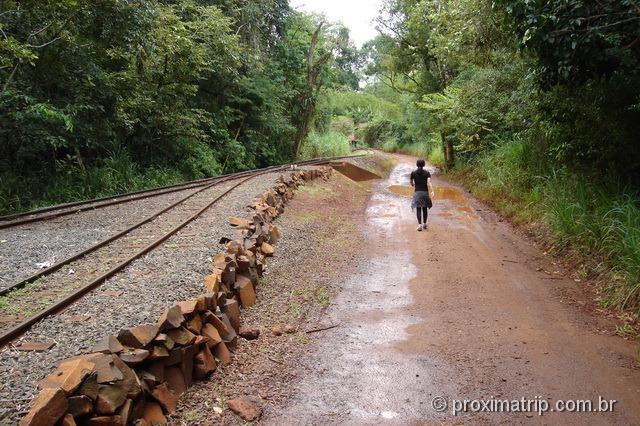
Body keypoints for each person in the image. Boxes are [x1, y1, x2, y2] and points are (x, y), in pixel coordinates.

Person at [410, 159, 435, 231]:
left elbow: (411, 183)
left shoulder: (413, 173)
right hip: (425, 193)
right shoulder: (427, 173)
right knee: (424, 209)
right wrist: (432, 191)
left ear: (416, 164)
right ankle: (424, 224)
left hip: (417, 193)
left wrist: (413, 184)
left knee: (418, 209)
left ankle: (419, 225)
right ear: (424, 164)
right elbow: (429, 183)